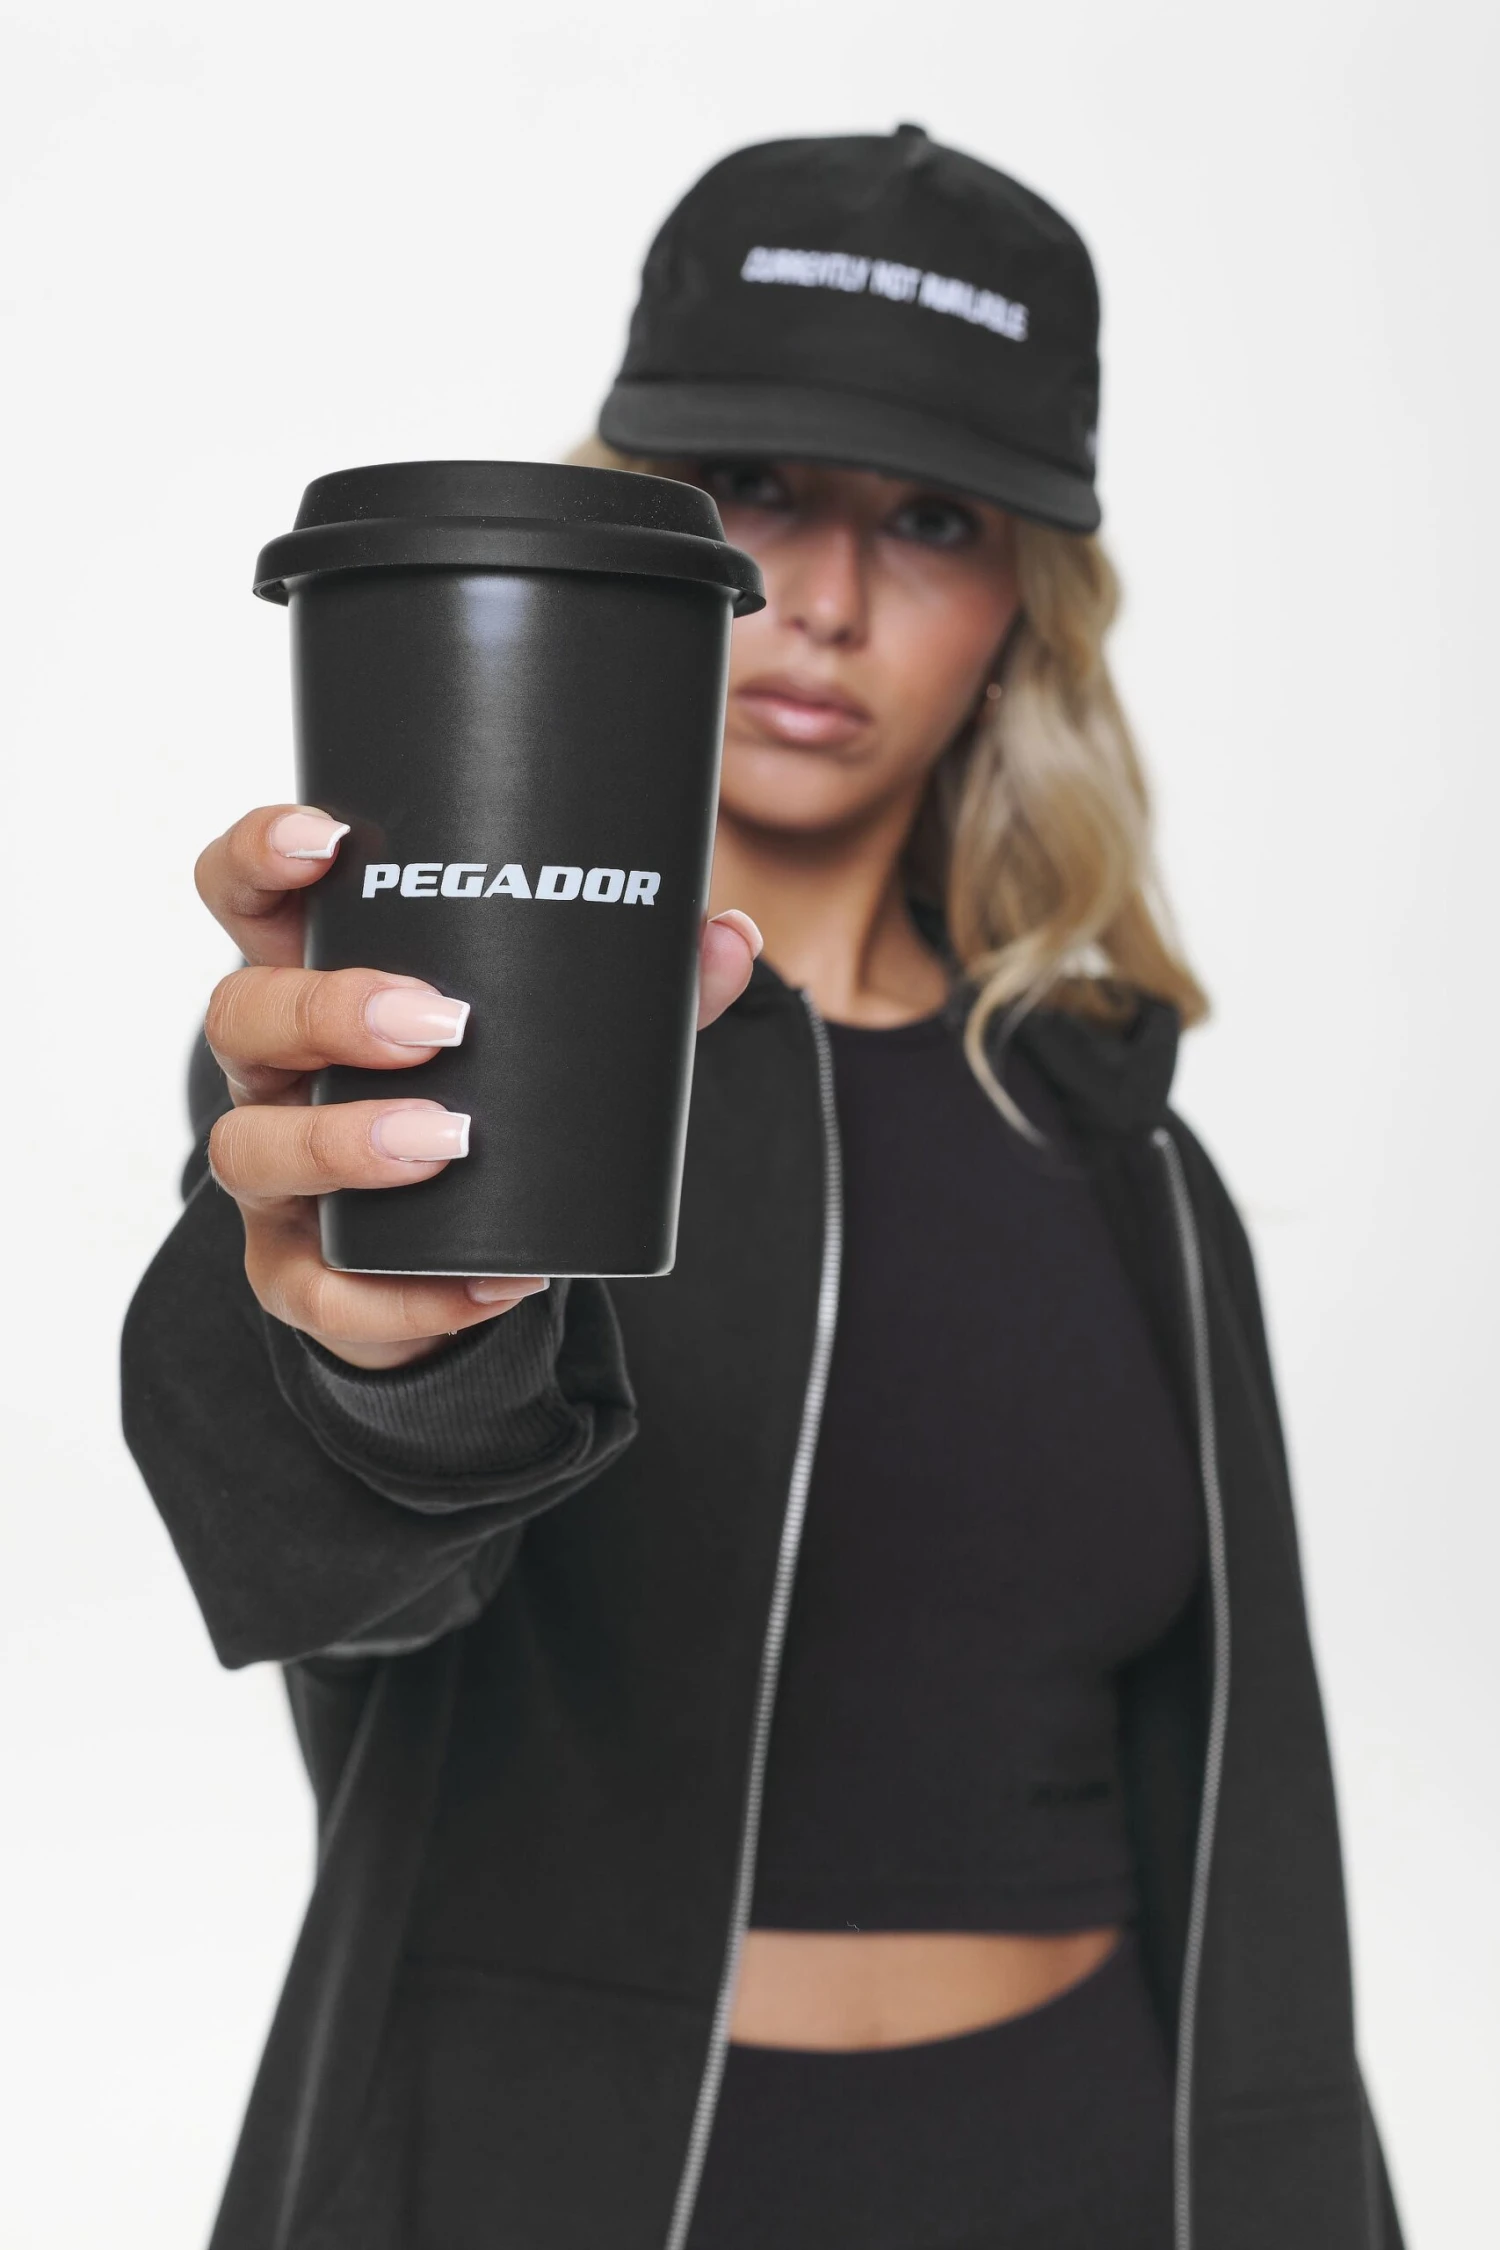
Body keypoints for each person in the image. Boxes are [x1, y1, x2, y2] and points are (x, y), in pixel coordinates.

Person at [122, 126, 1402, 2250]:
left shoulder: (1128, 1156)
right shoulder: (408, 1058)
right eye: (756, 489)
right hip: (556, 2185)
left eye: (932, 519)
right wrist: (396, 1352)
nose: (825, 601)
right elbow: (344, 1576)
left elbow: (1251, 1850)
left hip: (1096, 2170)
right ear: (643, 531)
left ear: (1023, 609)